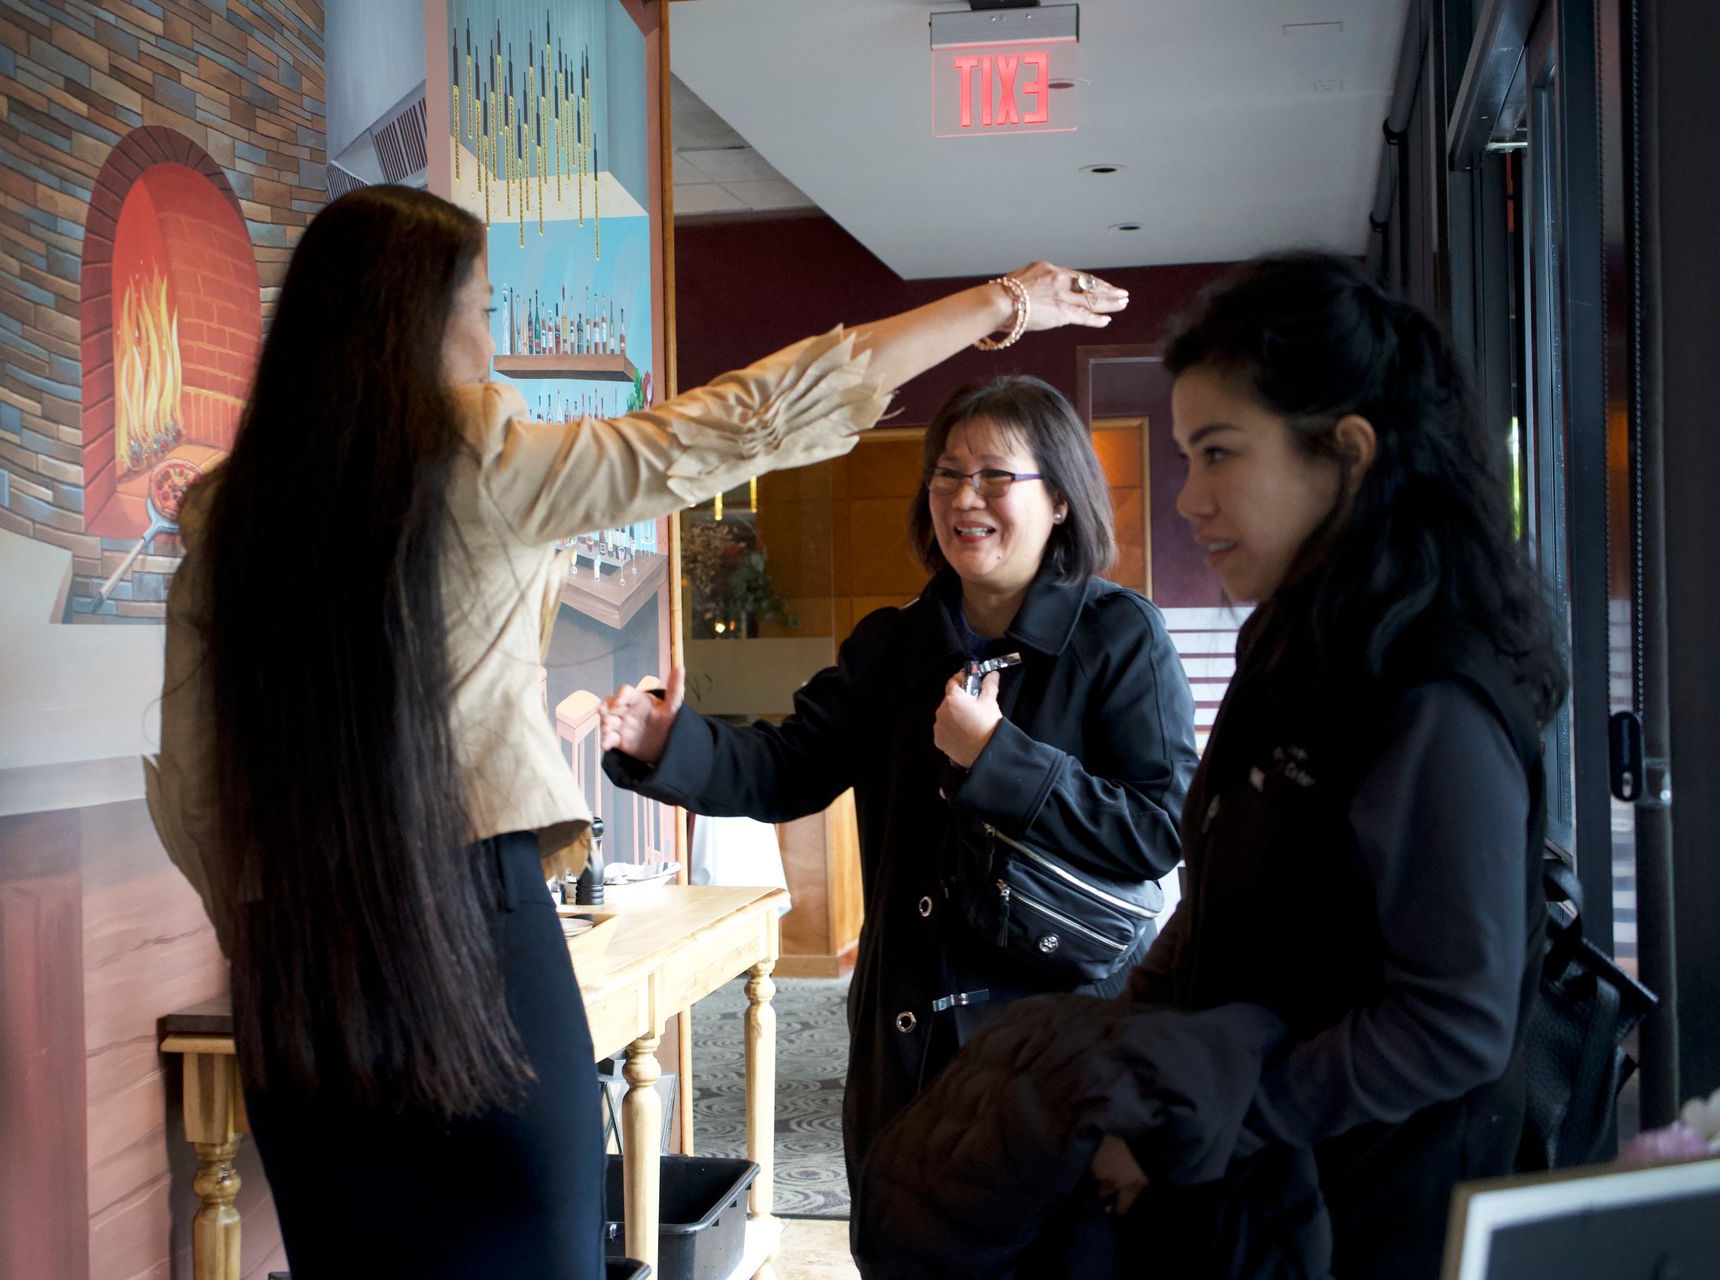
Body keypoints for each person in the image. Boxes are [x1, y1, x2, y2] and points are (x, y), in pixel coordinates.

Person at [143, 181, 1130, 1278]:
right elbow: (735, 422)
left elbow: (193, 788)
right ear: (415, 323)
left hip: (290, 970)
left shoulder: (231, 515)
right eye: (479, 307)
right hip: (475, 933)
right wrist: (1001, 301)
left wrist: (270, 936)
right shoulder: (482, 461)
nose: (489, 339)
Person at [597, 374, 1200, 1210]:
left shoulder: (1120, 636)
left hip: (1059, 1043)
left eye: (995, 475)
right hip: (906, 1041)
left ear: (1059, 499)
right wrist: (673, 743)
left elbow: (1157, 828)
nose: (964, 497)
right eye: (947, 474)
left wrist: (999, 759)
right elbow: (787, 768)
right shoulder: (895, 645)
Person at [1085, 250, 1569, 1276]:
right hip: (1259, 1196)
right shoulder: (1297, 636)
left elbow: (1453, 1022)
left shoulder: (1432, 694)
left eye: (1218, 454)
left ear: (1346, 452)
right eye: (1185, 458)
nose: (1188, 499)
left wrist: (1213, 1118)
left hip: (1369, 1214)